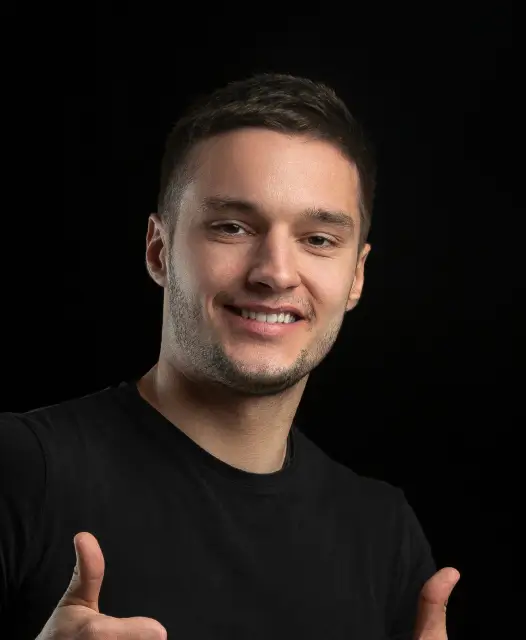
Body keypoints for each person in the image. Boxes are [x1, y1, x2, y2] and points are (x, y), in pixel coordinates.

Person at [0, 73, 459, 640]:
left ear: (357, 275)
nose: (276, 273)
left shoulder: (384, 534)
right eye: (233, 227)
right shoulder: (21, 472)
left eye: (318, 239)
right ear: (159, 250)